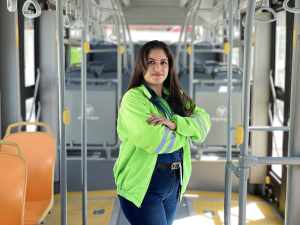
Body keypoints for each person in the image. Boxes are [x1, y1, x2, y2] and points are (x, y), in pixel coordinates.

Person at [113, 40, 211, 225]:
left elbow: (204, 123)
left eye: (163, 62)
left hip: (174, 184)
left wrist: (175, 124)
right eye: (151, 62)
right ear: (142, 66)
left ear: (170, 66)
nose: (158, 68)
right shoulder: (133, 99)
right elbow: (156, 141)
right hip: (143, 186)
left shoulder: (176, 96)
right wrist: (187, 133)